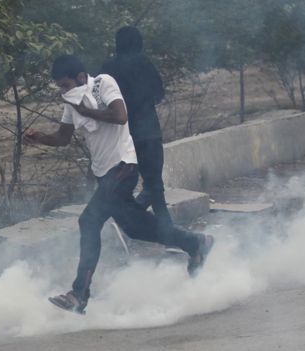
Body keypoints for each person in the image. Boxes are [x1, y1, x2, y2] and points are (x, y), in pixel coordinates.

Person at [24, 55, 214, 314]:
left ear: (81, 77)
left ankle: (79, 294)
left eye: (65, 85)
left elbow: (121, 116)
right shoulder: (72, 102)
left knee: (88, 221)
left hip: (124, 166)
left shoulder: (103, 84)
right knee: (135, 228)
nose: (63, 91)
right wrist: (39, 138)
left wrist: (86, 110)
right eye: (60, 87)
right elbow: (63, 138)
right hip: (105, 174)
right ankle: (195, 243)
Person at [100, 26, 173, 229]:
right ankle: (169, 235)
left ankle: (133, 224)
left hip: (122, 137)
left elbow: (99, 101)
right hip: (149, 132)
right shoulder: (144, 63)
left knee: (122, 188)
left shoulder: (108, 69)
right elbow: (159, 94)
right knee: (154, 187)